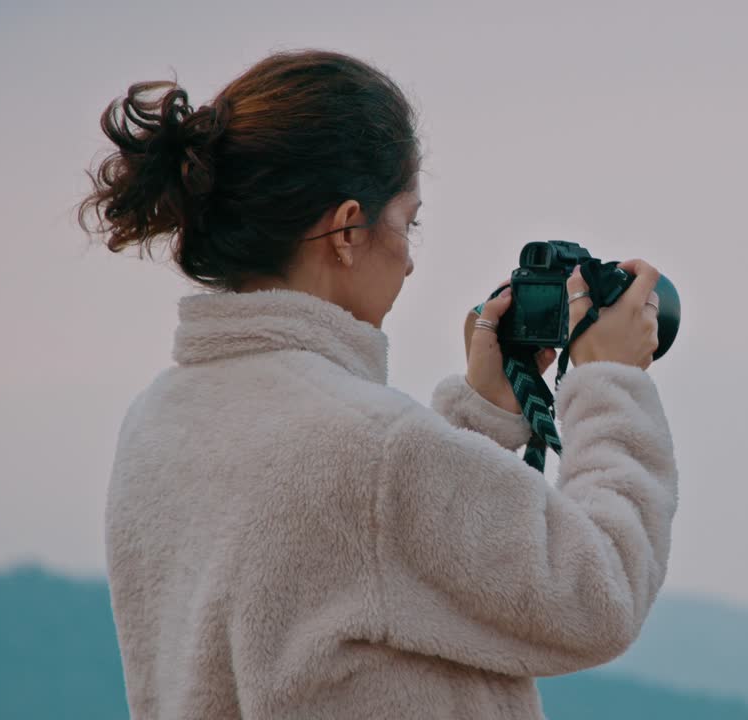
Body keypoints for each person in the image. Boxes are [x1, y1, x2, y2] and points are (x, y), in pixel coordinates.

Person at [78, 49, 677, 720]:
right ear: (345, 230)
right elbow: (600, 597)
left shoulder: (157, 420)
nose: (413, 260)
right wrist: (610, 382)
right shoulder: (372, 448)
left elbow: (357, 569)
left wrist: (477, 418)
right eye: (408, 220)